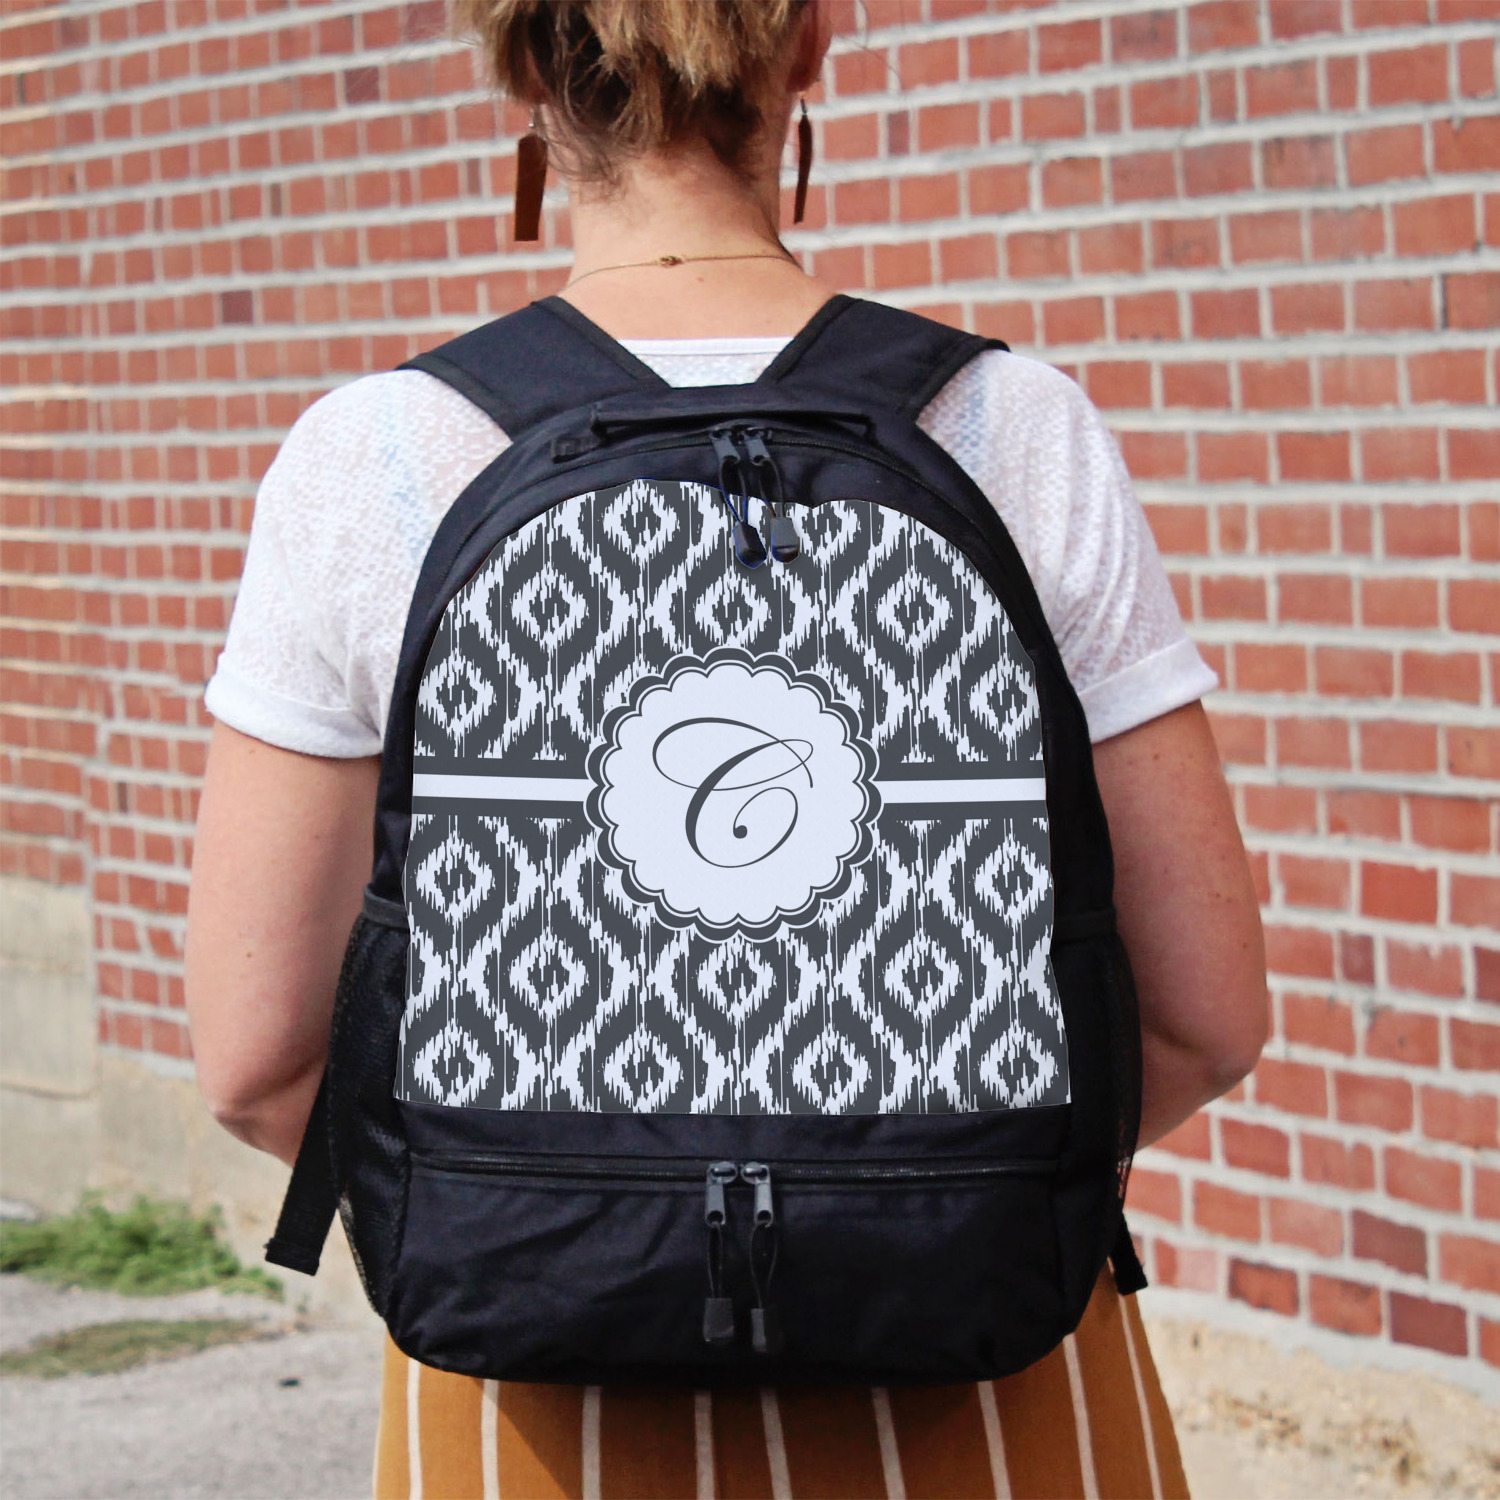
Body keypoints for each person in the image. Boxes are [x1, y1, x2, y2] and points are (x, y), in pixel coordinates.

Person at [185, 2, 1268, 1495]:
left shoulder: (369, 457)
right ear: (808, 41)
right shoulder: (1013, 427)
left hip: (536, 1392)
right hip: (981, 1363)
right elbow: (1205, 1022)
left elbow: (257, 1066)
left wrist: (564, 1222)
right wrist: (911, 1207)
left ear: (522, 64)